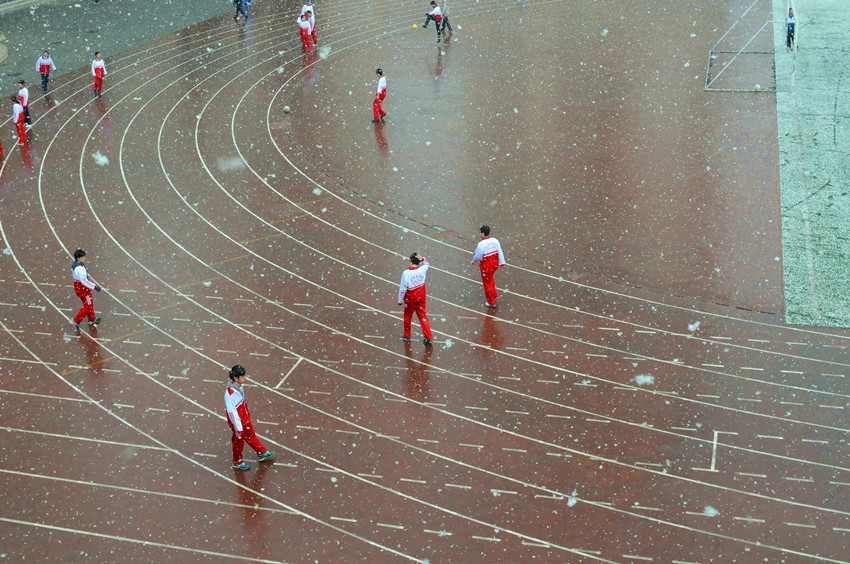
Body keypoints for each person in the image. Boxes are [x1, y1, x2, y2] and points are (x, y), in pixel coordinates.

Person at [225, 364, 276, 470]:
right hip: (237, 421)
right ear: (236, 378)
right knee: (238, 440)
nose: (245, 378)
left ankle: (261, 452)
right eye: (242, 377)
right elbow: (232, 412)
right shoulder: (230, 394)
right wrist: (238, 426)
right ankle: (237, 461)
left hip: (244, 417)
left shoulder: (240, 387)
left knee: (250, 434)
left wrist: (246, 414)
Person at [398, 253, 434, 345]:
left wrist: (400, 300)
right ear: (418, 262)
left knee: (407, 317)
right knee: (423, 317)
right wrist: (422, 259)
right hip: (421, 298)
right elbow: (427, 264)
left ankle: (407, 335)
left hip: (410, 299)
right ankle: (428, 337)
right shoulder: (422, 269)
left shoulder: (406, 273)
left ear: (410, 261)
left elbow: (403, 289)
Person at [470, 225, 506, 308]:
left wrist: (473, 261)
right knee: (490, 279)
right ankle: (494, 294)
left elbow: (478, 255)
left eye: (480, 232)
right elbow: (500, 252)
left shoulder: (481, 244)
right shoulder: (495, 241)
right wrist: (502, 263)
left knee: (487, 284)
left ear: (483, 233)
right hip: (494, 265)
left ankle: (491, 301)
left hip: (486, 267)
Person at [71, 249, 102, 330]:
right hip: (83, 290)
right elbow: (84, 281)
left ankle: (91, 319)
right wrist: (95, 286)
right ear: (78, 258)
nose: (84, 258)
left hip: (82, 289)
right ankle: (76, 320)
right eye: (83, 257)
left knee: (89, 304)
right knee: (88, 306)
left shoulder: (78, 266)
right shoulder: (79, 269)